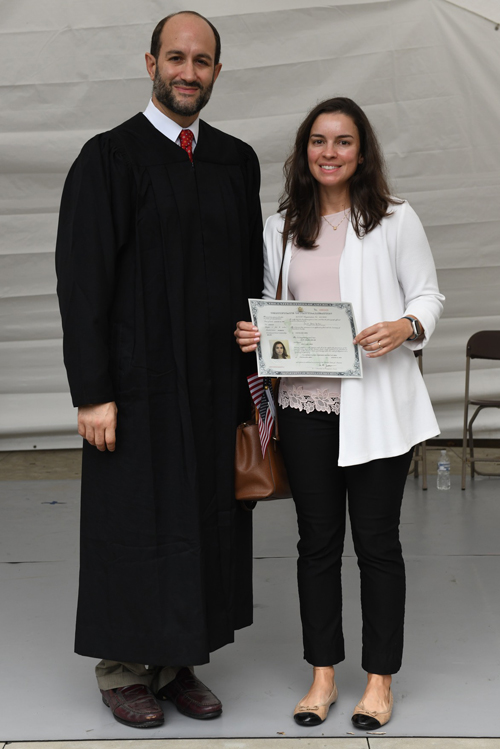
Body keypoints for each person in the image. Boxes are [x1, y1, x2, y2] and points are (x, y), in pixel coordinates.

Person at [56, 11, 263, 730]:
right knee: (133, 519)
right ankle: (122, 670)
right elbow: (82, 283)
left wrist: (256, 373)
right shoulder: (109, 158)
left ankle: (178, 662)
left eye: (201, 61)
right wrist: (93, 393)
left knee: (201, 518)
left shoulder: (236, 160)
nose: (188, 72)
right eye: (175, 58)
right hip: (136, 387)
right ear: (150, 63)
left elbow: (252, 276)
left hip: (212, 384)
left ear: (215, 71)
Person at [235, 97, 443, 729]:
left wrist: (407, 325)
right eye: (318, 141)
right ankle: (322, 676)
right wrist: (255, 333)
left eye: (343, 142)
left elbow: (428, 293)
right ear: (304, 151)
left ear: (362, 152)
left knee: (378, 545)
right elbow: (272, 307)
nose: (329, 152)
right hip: (304, 406)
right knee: (316, 545)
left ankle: (379, 681)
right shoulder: (281, 226)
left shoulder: (395, 219)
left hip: (378, 406)